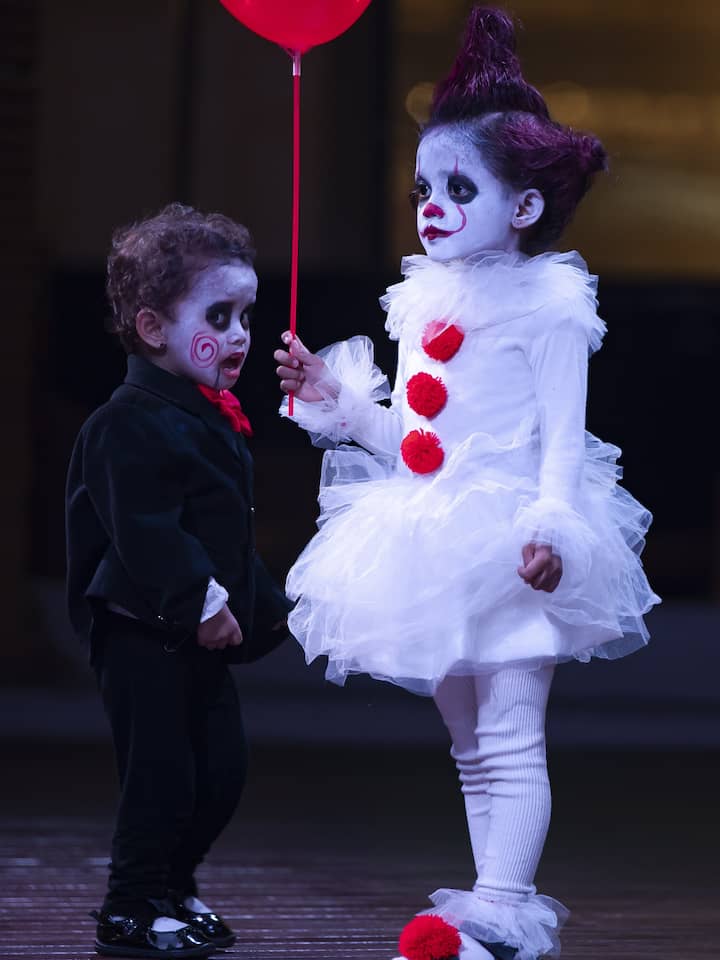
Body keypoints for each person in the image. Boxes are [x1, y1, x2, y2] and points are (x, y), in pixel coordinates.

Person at [273, 7, 660, 960]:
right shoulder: (421, 300)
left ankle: (498, 907)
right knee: (471, 744)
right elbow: (415, 442)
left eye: (458, 187)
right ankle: (501, 918)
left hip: (513, 532)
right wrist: (338, 402)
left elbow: (562, 439)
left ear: (523, 208)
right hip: (429, 532)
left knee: (514, 730)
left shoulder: (551, 304)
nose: (432, 206)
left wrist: (551, 527)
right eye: (422, 188)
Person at [66, 203, 291, 959]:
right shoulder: (126, 421)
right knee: (159, 775)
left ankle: (173, 886)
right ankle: (131, 906)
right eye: (218, 317)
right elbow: (145, 529)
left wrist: (272, 609)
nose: (239, 336)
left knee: (220, 771)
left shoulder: (205, 416)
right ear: (154, 328)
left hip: (195, 635)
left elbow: (226, 534)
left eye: (245, 317)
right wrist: (200, 598)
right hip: (142, 633)